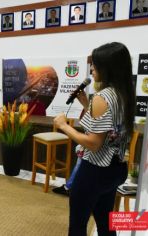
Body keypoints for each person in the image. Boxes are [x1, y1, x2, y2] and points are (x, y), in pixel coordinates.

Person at [54, 42, 134, 235]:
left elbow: (94, 143)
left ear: (108, 68)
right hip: (115, 168)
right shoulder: (125, 93)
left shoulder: (102, 97)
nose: (92, 69)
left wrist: (64, 126)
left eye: (95, 64)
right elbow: (108, 125)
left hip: (95, 172)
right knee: (106, 222)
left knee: (78, 224)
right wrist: (86, 103)